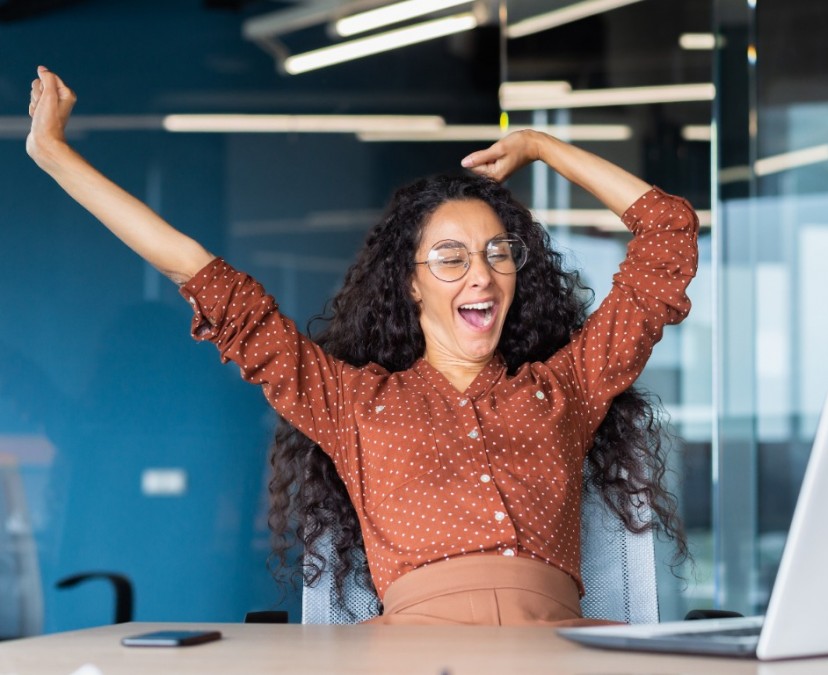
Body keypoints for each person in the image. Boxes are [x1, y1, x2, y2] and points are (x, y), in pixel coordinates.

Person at [27, 65, 698, 626]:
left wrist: (546, 148)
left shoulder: (564, 389)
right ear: (409, 285)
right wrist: (54, 154)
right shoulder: (353, 402)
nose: (481, 273)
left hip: (559, 652)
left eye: (499, 252)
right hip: (412, 657)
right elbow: (195, 270)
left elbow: (668, 233)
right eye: (451, 257)